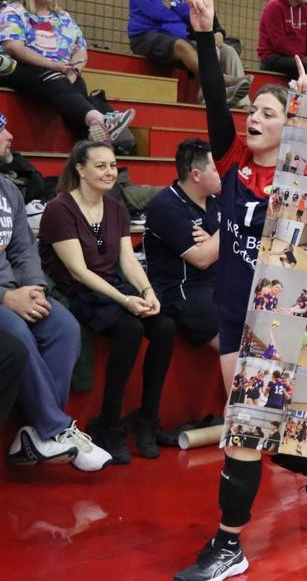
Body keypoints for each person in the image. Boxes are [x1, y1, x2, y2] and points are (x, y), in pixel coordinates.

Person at [173, 0, 307, 581]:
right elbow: (216, 103)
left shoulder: (305, 174)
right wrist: (204, 33)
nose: (255, 119)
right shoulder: (231, 163)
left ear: (290, 125)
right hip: (230, 311)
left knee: (244, 430)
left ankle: (229, 545)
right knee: (257, 431)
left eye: (269, 113)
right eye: (256, 112)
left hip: (279, 322)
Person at [38, 140, 176, 464]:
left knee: (165, 326)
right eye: (100, 166)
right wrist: (125, 300)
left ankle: (147, 418)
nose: (109, 171)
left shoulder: (115, 207)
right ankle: (109, 425)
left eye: (113, 165)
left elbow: (128, 260)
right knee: (129, 328)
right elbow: (78, 270)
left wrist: (146, 292)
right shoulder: (60, 208)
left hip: (111, 287)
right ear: (80, 170)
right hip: (76, 291)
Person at [0, 116, 112, 471]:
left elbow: (22, 249)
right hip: (2, 298)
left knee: (64, 326)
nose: (10, 135)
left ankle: (37, 434)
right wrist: (4, 299)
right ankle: (53, 428)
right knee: (16, 332)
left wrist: (33, 287)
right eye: (1, 130)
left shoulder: (8, 190)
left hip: (17, 289)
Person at [0, 0, 135, 145]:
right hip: (18, 68)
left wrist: (75, 70)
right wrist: (54, 66)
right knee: (55, 78)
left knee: (77, 84)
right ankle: (102, 121)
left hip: (60, 72)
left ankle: (90, 143)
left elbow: (80, 48)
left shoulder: (62, 16)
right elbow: (13, 47)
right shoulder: (14, 11)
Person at [128, 0, 244, 101]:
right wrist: (179, 8)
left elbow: (191, 12)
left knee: (214, 48)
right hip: (145, 36)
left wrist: (171, 5)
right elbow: (155, 12)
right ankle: (219, 82)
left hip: (174, 37)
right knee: (182, 46)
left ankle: (236, 100)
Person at [143, 138, 222, 349]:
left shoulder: (217, 201)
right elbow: (203, 259)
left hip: (219, 282)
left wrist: (216, 241)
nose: (224, 173)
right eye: (217, 169)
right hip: (184, 291)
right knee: (239, 352)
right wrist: (232, 227)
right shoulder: (165, 207)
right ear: (196, 175)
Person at [180, 0, 251, 108]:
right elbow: (185, 30)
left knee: (230, 51)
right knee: (213, 49)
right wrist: (209, 37)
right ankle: (206, 98)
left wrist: (219, 34)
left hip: (208, 40)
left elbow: (217, 26)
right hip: (189, 43)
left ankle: (242, 103)